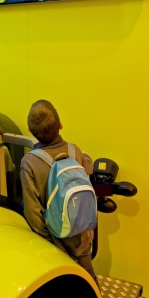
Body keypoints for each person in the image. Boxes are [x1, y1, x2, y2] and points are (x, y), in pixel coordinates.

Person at [20, 100, 98, 284]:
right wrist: (86, 157)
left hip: (56, 241)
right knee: (88, 279)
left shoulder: (29, 163)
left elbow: (32, 213)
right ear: (60, 124)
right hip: (82, 235)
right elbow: (88, 169)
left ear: (31, 130)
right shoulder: (74, 150)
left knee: (62, 289)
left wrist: (53, 247)